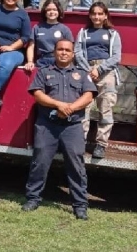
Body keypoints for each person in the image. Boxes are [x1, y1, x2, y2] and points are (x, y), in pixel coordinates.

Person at [23, 39, 97, 220]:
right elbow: (38, 94)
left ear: (73, 54)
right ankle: (33, 198)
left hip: (72, 127)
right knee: (39, 162)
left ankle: (80, 205)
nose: (64, 53)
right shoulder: (44, 72)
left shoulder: (81, 73)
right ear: (55, 52)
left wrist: (69, 108)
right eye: (60, 49)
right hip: (47, 126)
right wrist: (58, 105)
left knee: (76, 165)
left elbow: (88, 96)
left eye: (67, 50)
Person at [74, 2, 121, 159]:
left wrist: (99, 69)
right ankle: (80, 142)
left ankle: (101, 144)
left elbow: (116, 57)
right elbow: (77, 52)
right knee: (83, 107)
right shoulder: (83, 32)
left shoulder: (112, 34)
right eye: (94, 13)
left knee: (105, 108)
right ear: (89, 15)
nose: (97, 16)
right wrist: (88, 68)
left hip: (106, 72)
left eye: (100, 13)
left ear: (105, 15)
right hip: (86, 70)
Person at [24, 0, 74, 70]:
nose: (52, 12)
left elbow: (70, 49)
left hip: (59, 62)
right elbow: (31, 47)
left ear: (59, 11)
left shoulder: (64, 29)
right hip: (42, 62)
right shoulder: (37, 28)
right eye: (49, 10)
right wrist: (30, 61)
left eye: (54, 9)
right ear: (45, 12)